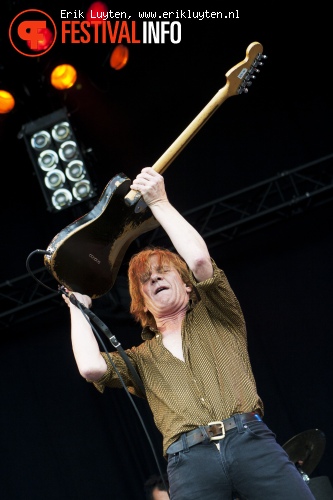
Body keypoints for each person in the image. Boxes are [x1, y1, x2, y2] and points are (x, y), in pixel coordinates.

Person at [63, 167, 315, 499]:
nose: (153, 279)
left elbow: (198, 260)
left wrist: (160, 202)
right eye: (145, 280)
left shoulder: (218, 312)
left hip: (249, 440)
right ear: (143, 303)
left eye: (161, 272)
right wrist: (77, 307)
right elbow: (90, 367)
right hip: (189, 461)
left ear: (185, 284)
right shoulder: (139, 358)